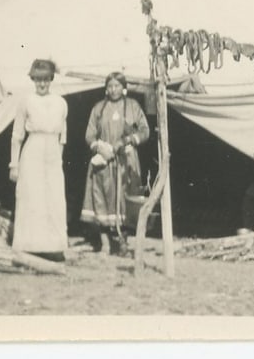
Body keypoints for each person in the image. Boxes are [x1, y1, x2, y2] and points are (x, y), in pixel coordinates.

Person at [80, 72, 150, 255]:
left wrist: (129, 140)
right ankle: (105, 244)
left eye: (117, 86)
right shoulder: (99, 108)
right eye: (110, 86)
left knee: (124, 202)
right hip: (104, 161)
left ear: (123, 87)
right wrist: (98, 147)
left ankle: (123, 244)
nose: (113, 90)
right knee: (101, 200)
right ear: (106, 88)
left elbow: (145, 131)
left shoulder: (133, 107)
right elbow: (89, 134)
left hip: (125, 161)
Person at [9, 59, 69, 262]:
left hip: (52, 154)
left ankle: (53, 247)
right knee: (31, 197)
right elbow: (17, 136)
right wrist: (14, 165)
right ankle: (28, 246)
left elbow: (63, 136)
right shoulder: (26, 101)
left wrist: (58, 160)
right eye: (38, 80)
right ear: (32, 80)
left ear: (51, 79)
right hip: (32, 152)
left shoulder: (61, 103)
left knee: (53, 199)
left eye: (45, 80)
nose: (41, 84)